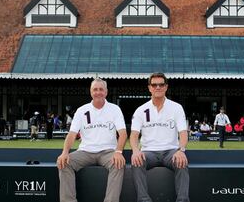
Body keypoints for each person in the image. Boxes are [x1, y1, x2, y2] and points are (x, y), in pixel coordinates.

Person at [57, 78, 127, 202]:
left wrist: (118, 152)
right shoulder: (82, 110)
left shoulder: (114, 109)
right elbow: (72, 134)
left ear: (106, 92)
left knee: (118, 164)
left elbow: (123, 133)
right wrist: (64, 152)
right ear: (91, 92)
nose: (98, 92)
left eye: (101, 89)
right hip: (85, 151)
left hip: (108, 152)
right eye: (95, 89)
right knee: (64, 163)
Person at [130, 72, 190, 202]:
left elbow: (183, 133)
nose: (158, 87)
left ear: (166, 87)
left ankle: (183, 200)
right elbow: (134, 135)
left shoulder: (176, 107)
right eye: (154, 85)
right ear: (149, 87)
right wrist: (135, 151)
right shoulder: (141, 110)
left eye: (161, 84)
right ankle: (144, 200)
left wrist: (181, 150)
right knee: (136, 162)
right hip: (148, 152)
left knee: (182, 162)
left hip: (170, 152)